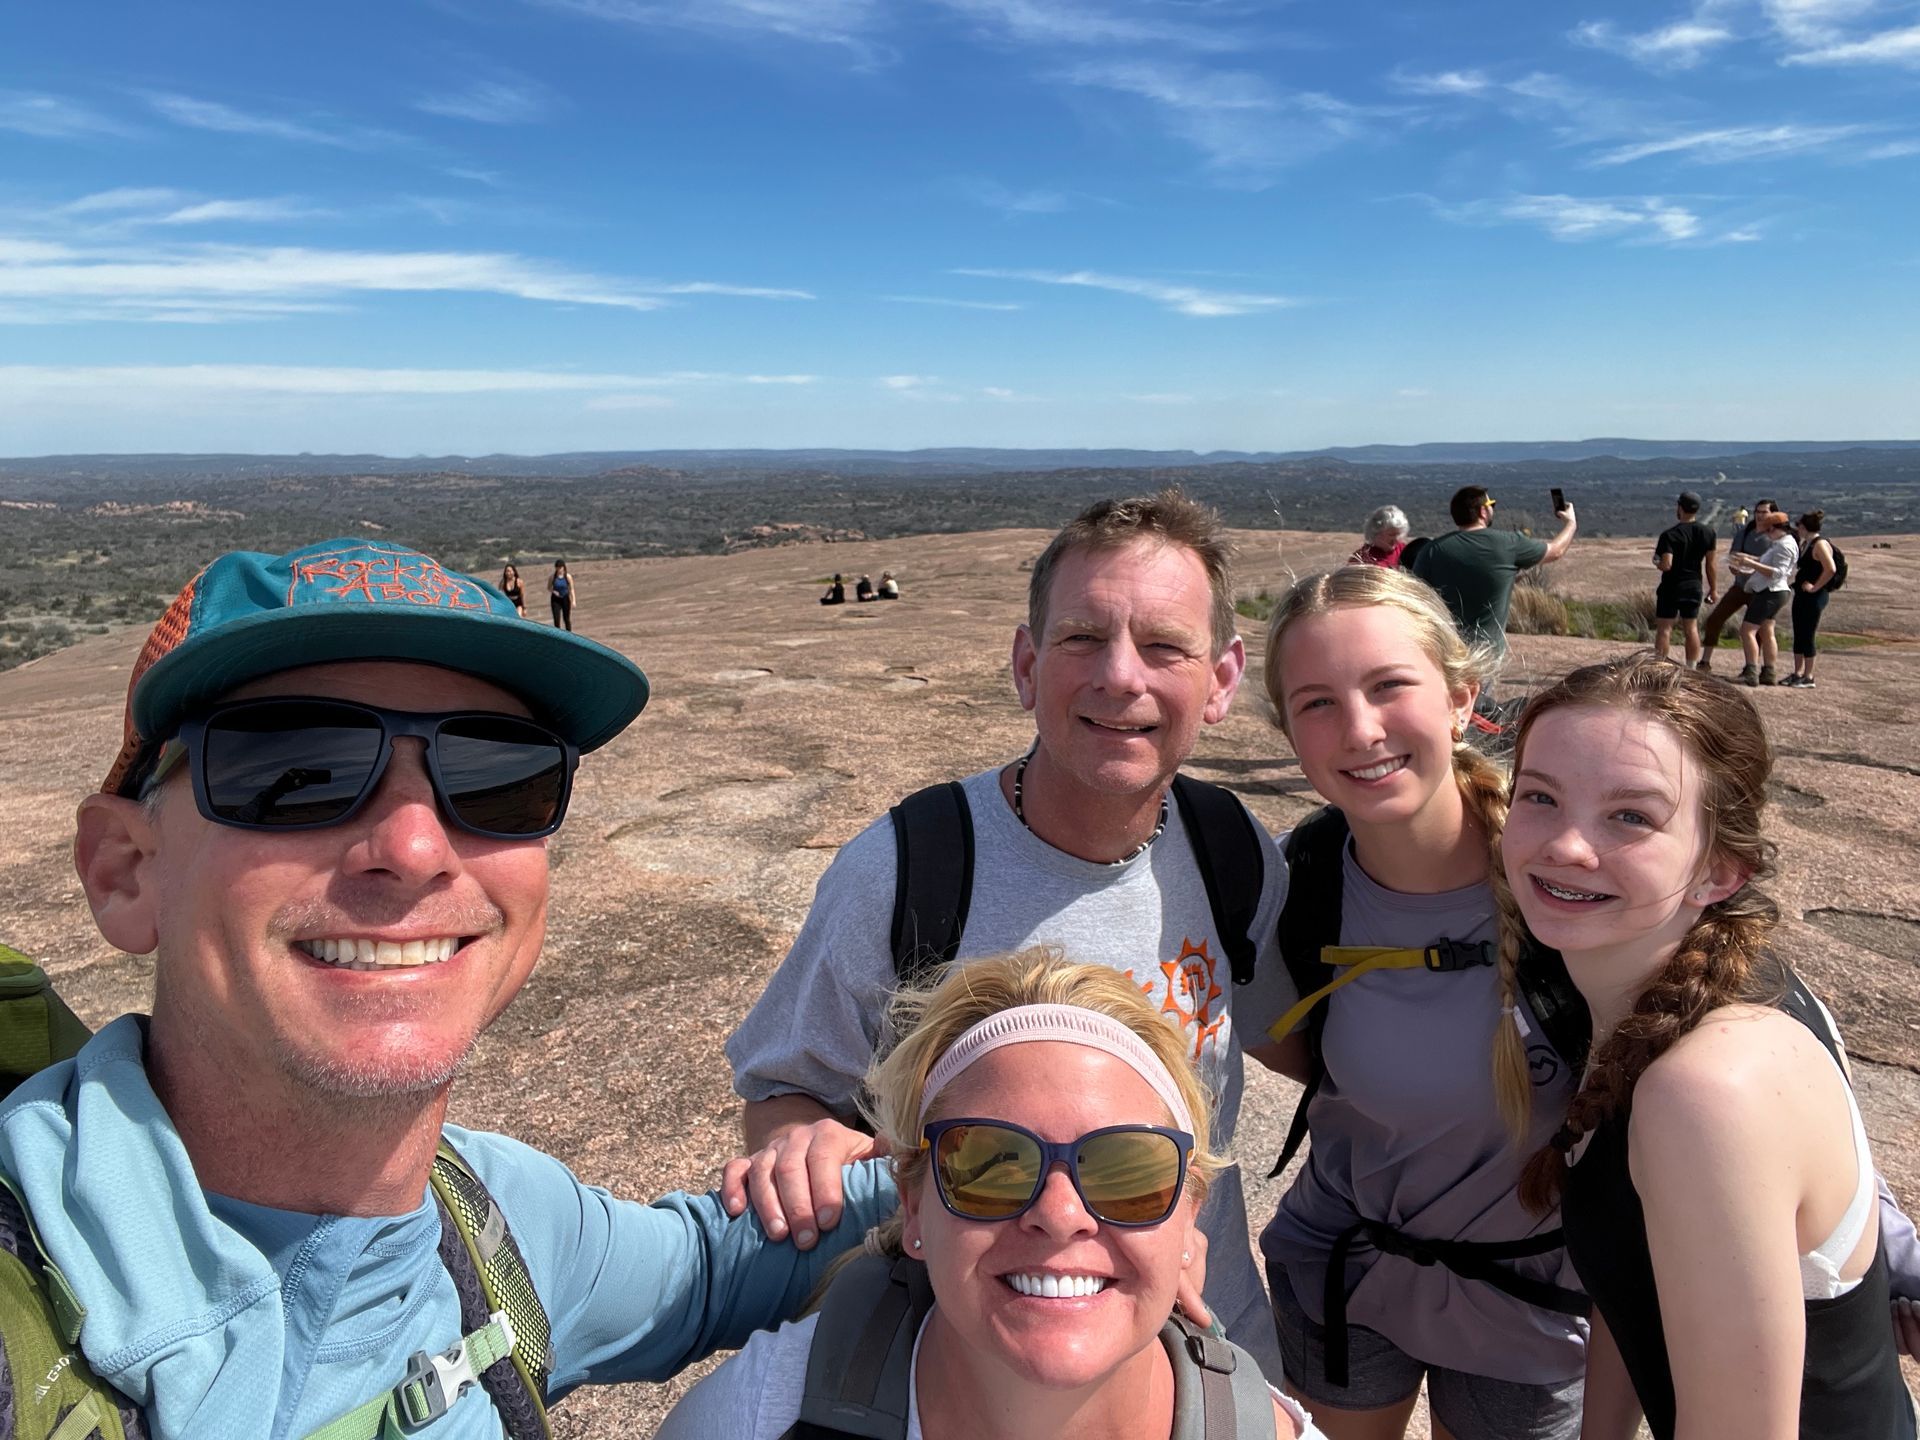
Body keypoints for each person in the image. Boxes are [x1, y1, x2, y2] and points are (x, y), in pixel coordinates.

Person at [0, 537, 896, 1438]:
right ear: (125, 870)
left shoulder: (491, 1222)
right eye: (294, 771)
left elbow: (706, 1269)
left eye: (498, 773)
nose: (416, 849)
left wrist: (989, 1153)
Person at [722, 490, 1290, 1378]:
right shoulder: (909, 872)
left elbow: (1280, 1037)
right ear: (1027, 665)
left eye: (1164, 646)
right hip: (983, 1358)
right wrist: (800, 1141)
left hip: (1214, 1350)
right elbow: (785, 1091)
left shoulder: (1232, 852)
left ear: (1219, 680)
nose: (1121, 676)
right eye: (1081, 639)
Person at [1493, 654, 1918, 1439]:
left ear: (1719, 870)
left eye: (1631, 816)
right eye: (1540, 797)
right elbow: (1644, 1281)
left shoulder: (1708, 1089)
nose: (1567, 846)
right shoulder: (1676, 999)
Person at [663, 950, 1323, 1439]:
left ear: (1189, 1221)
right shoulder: (753, 1419)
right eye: (990, 1163)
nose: (1060, 1215)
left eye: (1128, 1170)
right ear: (914, 1206)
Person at [1246, 565, 1588, 1440]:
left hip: (1534, 1301)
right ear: (1288, 731)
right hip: (1345, 1273)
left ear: (1461, 695)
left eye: (1390, 685)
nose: (1359, 730)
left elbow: (1723, 1033)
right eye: (1316, 703)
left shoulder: (1566, 872)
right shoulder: (1297, 883)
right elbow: (1296, 1048)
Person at [1410, 486, 1576, 654]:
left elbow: (1414, 597)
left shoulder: (1431, 551)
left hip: (1445, 651)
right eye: (1491, 504)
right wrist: (1571, 523)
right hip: (1487, 653)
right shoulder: (1508, 544)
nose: (1492, 508)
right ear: (1482, 511)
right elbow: (1556, 551)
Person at [1695, 499, 1775, 670]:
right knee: (1714, 619)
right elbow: (1734, 554)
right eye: (1758, 512)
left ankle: (1754, 666)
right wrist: (1735, 566)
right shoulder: (1746, 532)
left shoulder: (1776, 536)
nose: (1760, 515)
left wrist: (1752, 564)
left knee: (1759, 629)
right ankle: (1705, 661)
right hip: (1740, 585)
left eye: (1764, 512)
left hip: (1761, 589)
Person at [1728, 509, 1797, 686]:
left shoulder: (1784, 545)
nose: (1766, 533)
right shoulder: (1782, 543)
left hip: (1770, 591)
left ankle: (1751, 671)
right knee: (1767, 631)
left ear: (1775, 528)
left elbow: (1777, 572)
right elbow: (1767, 560)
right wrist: (1748, 557)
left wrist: (1750, 564)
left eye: (1768, 530)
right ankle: (1769, 671)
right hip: (1775, 591)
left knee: (1747, 630)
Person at [1650, 493, 1716, 666]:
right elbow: (1710, 564)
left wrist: (1656, 562)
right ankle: (1691, 668)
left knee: (1665, 628)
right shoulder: (1708, 533)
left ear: (1680, 507)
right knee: (1691, 628)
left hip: (1671, 586)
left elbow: (1666, 564)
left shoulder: (1670, 535)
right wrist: (1713, 588)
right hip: (1693, 585)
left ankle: (1660, 666)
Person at [1784, 509, 1839, 689]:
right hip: (1802, 595)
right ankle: (1798, 672)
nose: (1797, 529)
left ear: (1804, 526)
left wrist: (1816, 587)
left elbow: (1830, 569)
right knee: (1799, 632)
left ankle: (1809, 676)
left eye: (1799, 525)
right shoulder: (1807, 543)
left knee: (1808, 633)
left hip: (1814, 596)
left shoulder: (1819, 544)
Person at [548, 558, 576, 631]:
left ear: (564, 567)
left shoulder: (568, 577)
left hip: (565, 598)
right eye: (557, 567)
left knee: (566, 618)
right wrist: (554, 591)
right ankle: (558, 635)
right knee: (556, 618)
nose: (559, 569)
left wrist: (573, 600)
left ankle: (569, 635)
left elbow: (571, 589)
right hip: (555, 599)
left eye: (560, 567)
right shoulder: (552, 577)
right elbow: (549, 587)